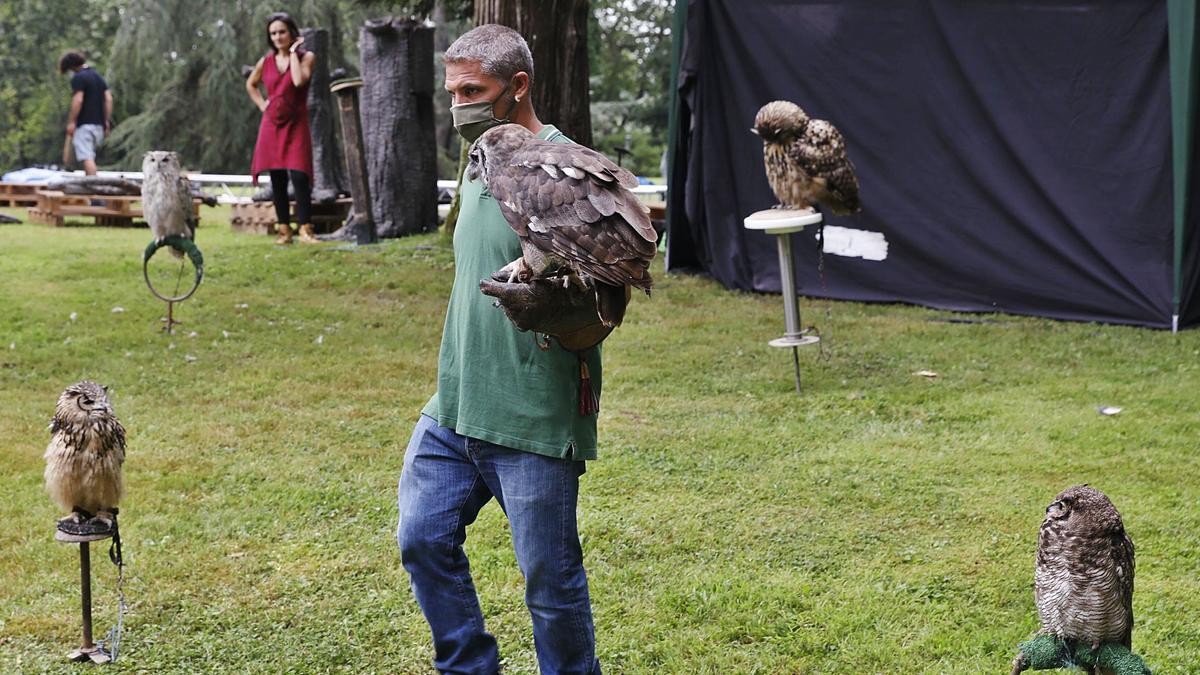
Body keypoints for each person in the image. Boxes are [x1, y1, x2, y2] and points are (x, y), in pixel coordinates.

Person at [396, 24, 603, 675]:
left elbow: (599, 316)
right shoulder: (481, 154)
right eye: (453, 90)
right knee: (422, 536)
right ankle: (468, 665)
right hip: (455, 402)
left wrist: (563, 309)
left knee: (550, 585)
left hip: (534, 414)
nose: (458, 104)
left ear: (517, 87)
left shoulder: (565, 171)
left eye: (472, 91)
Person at [245, 11, 317, 245]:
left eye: (282, 32)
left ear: (292, 33)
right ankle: (284, 230)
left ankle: (306, 229)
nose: (277, 37)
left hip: (296, 122)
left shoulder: (307, 57)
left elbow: (298, 81)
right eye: (273, 33)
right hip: (271, 124)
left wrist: (294, 53)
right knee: (276, 177)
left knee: (299, 174)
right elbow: (251, 85)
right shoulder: (265, 62)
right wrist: (262, 105)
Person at [59, 51, 112, 176]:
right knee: (89, 157)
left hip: (84, 125)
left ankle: (94, 190)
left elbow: (78, 99)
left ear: (71, 67)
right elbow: (108, 99)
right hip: (98, 125)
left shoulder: (79, 78)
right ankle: (91, 187)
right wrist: (106, 121)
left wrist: (72, 121)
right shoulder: (98, 77)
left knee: (86, 158)